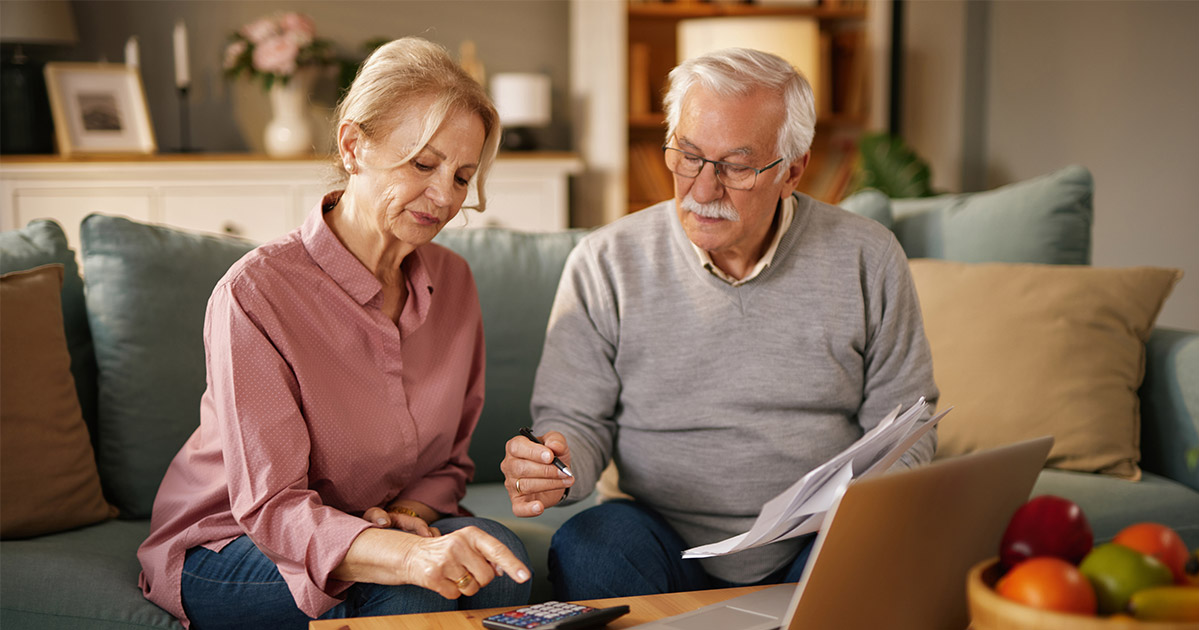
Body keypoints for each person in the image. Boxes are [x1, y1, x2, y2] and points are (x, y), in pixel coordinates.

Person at [500, 47, 939, 599]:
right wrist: (554, 466)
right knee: (590, 545)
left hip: (813, 540)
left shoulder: (868, 257)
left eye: (735, 166)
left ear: (792, 170)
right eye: (688, 156)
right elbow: (575, 423)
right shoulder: (605, 261)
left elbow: (906, 430)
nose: (703, 190)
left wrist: (860, 514)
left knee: (885, 545)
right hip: (656, 535)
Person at [138, 38, 531, 629]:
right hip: (233, 541)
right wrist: (407, 555)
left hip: (372, 526)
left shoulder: (454, 282)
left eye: (462, 176)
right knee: (415, 595)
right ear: (353, 146)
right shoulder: (255, 293)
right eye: (423, 164)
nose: (445, 197)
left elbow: (447, 465)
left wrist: (403, 517)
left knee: (499, 558)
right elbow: (271, 508)